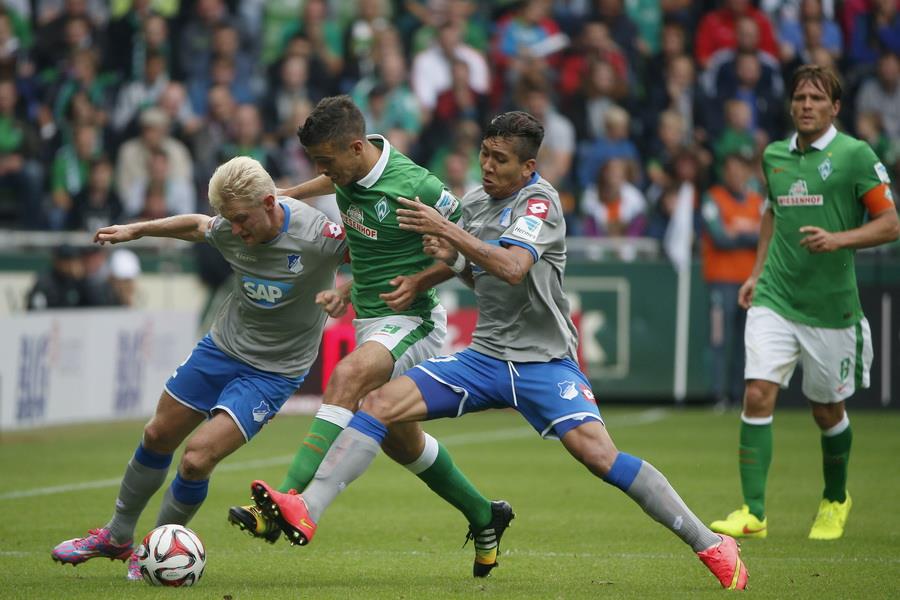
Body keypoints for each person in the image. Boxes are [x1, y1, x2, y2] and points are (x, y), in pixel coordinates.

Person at [249, 111, 749, 590]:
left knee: (600, 456)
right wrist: (440, 266)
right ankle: (307, 507)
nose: (487, 166)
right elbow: (475, 273)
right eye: (485, 155)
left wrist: (448, 232)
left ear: (528, 167)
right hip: (484, 359)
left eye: (500, 159)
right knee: (378, 404)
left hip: (543, 363)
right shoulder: (475, 203)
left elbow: (511, 268)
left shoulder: (540, 203)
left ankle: (710, 543)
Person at [227, 95, 504, 577]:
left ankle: (287, 501)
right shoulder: (348, 171)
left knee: (347, 376)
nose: (323, 172)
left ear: (356, 148)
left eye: (326, 161)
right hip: (370, 321)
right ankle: (485, 514)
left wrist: (421, 280)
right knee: (402, 442)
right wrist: (291, 197)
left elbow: (469, 250)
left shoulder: (417, 186)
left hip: (413, 319)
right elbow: (335, 187)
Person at [50, 156, 349, 580]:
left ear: (269, 203)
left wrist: (348, 291)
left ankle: (152, 551)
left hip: (273, 372)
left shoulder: (318, 235)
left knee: (195, 459)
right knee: (157, 435)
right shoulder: (230, 227)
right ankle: (116, 536)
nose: (235, 230)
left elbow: (376, 251)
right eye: (229, 219)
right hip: (221, 348)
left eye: (242, 219)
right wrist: (138, 229)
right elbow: (197, 226)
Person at [710, 65, 899, 542]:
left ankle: (835, 498)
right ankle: (753, 511)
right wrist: (756, 273)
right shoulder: (774, 155)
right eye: (800, 98)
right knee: (758, 392)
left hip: (831, 309)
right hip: (775, 295)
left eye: (816, 98)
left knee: (826, 411)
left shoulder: (855, 155)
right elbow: (771, 214)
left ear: (835, 107)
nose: (806, 105)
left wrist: (838, 239)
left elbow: (890, 224)